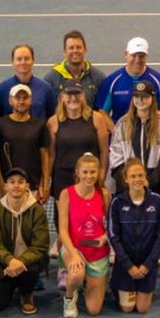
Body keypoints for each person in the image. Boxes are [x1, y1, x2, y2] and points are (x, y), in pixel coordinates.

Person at [108, 81, 160, 292]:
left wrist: (150, 182)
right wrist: (130, 183)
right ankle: (127, 267)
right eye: (137, 97)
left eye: (145, 97)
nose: (141, 101)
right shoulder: (122, 124)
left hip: (159, 187)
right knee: (127, 229)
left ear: (152, 99)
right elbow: (116, 159)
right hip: (128, 188)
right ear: (132, 99)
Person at [46, 81, 111, 288]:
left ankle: (91, 264)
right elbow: (51, 155)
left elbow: (104, 150)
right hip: (63, 180)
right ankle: (66, 269)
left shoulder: (96, 119)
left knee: (91, 222)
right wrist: (48, 182)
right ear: (62, 98)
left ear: (83, 97)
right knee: (63, 225)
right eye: (69, 95)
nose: (73, 99)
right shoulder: (54, 122)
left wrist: (100, 176)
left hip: (90, 179)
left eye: (77, 95)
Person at [0, 168, 50, 314]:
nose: (16, 185)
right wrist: (10, 261)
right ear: (6, 186)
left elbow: (40, 246)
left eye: (21, 182)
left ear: (27, 186)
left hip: (29, 264)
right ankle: (14, 283)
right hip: (6, 265)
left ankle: (26, 293)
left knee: (32, 269)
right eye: (12, 182)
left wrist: (19, 262)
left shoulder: (37, 210)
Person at [109, 158, 160, 315]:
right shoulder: (117, 202)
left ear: (145, 177)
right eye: (133, 176)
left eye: (140, 175)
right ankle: (118, 286)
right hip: (125, 265)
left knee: (142, 309)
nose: (137, 180)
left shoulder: (157, 201)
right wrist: (128, 265)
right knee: (127, 309)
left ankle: (141, 288)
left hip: (147, 265)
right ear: (126, 179)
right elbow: (114, 236)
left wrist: (148, 264)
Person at [58, 153, 111, 318]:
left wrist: (105, 237)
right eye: (85, 172)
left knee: (94, 310)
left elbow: (109, 224)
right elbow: (63, 230)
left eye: (93, 172)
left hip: (97, 252)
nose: (89, 176)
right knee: (76, 273)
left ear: (99, 172)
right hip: (75, 248)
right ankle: (69, 296)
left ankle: (89, 280)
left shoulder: (105, 194)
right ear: (78, 172)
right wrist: (73, 254)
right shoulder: (66, 194)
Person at [0, 83, 51, 205]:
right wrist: (1, 183)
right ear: (10, 101)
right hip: (8, 187)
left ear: (30, 100)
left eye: (25, 98)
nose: (21, 101)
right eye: (17, 98)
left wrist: (45, 184)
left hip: (33, 188)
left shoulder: (40, 125)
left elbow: (45, 156)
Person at [95, 36, 160, 124]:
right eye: (133, 55)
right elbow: (103, 113)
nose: (137, 60)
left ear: (146, 56)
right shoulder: (111, 81)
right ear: (126, 54)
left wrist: (155, 133)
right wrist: (118, 133)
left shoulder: (159, 81)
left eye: (141, 56)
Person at [0, 44, 57, 120]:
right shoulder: (1, 90)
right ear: (13, 62)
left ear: (33, 61)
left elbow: (52, 118)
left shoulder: (46, 89)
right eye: (19, 59)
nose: (23, 62)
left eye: (27, 58)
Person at [43, 30, 106, 106]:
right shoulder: (51, 79)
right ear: (65, 51)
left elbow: (103, 111)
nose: (75, 51)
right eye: (71, 48)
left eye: (78, 47)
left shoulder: (98, 78)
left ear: (85, 49)